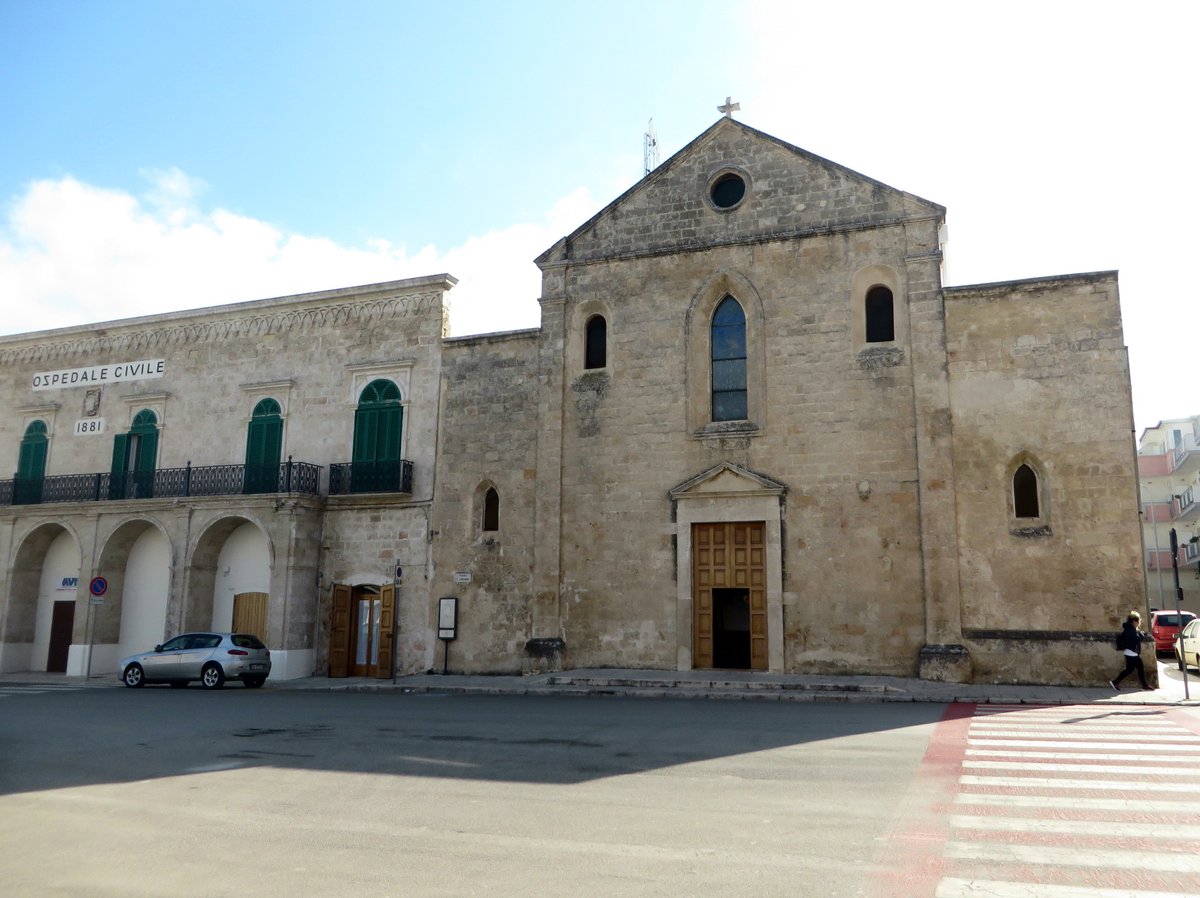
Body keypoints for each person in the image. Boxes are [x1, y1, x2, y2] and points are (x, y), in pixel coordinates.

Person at [1110, 610, 1153, 691]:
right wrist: (1140, 635)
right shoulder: (1130, 630)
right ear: (1133, 621)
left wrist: (1139, 633)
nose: (1138, 623)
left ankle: (1116, 682)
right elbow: (1135, 640)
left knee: (1132, 669)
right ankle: (1144, 685)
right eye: (1137, 621)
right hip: (1131, 652)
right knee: (1136, 668)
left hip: (1131, 652)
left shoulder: (1131, 629)